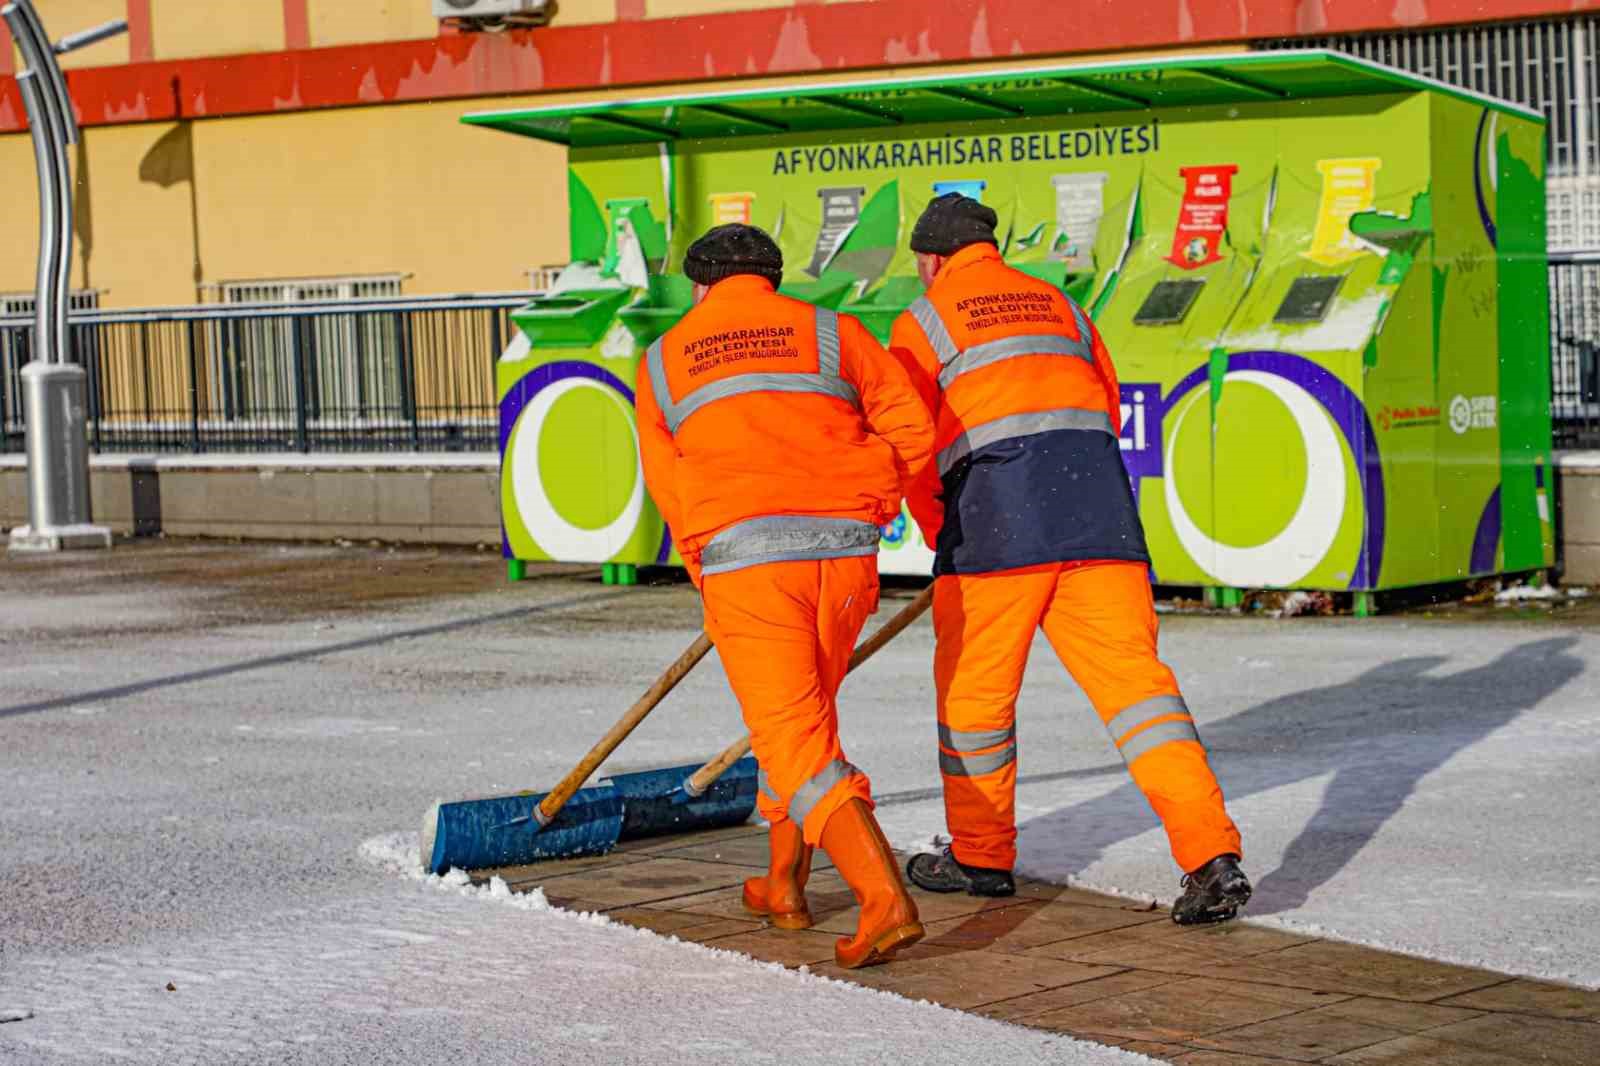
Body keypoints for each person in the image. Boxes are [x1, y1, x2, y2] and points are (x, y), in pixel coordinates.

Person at [888, 193, 1251, 925]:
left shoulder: (922, 320)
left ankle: (981, 856)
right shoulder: (1059, 303)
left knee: (976, 703)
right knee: (1140, 697)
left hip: (995, 527)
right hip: (1100, 519)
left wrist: (942, 527)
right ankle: (1212, 858)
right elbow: (1104, 405)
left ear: (930, 260)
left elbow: (911, 441)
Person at [635, 223, 936, 966]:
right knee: (802, 724)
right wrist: (872, 499)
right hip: (845, 558)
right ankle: (783, 883)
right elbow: (913, 429)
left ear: (701, 286)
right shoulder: (832, 332)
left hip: (749, 567)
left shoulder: (664, 361)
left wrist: (708, 570)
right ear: (770, 279)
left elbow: (669, 485)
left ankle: (882, 898)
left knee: (793, 739)